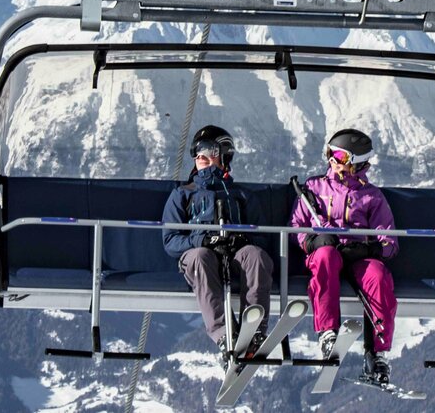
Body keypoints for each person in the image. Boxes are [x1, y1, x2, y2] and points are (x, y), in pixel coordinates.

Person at [290, 128, 398, 386]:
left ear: (357, 162)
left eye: (340, 155)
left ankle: (377, 353)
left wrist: (369, 249)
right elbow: (296, 227)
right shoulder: (314, 189)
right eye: (332, 153)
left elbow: (390, 241)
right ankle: (328, 332)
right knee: (326, 256)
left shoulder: (371, 196)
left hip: (357, 255)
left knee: (378, 275)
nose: (332, 160)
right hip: (327, 252)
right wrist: (313, 241)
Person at [162, 124, 273, 363]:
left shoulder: (240, 196)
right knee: (201, 257)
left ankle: (253, 329)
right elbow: (170, 240)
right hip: (201, 258)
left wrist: (241, 238)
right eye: (197, 151)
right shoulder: (183, 194)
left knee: (255, 255)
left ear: (223, 156)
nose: (200, 156)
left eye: (208, 150)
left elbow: (263, 237)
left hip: (234, 257)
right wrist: (200, 239)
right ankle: (224, 334)